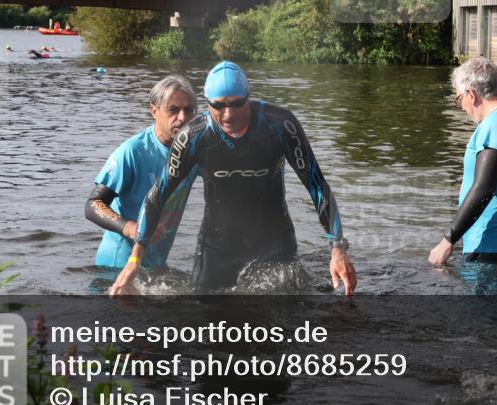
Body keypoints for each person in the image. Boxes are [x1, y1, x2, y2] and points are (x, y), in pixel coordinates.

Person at [110, 61, 357, 296]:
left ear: (248, 97)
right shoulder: (193, 136)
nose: (228, 114)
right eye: (218, 106)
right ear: (207, 102)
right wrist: (135, 259)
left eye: (237, 104)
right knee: (203, 315)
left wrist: (337, 248)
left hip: (274, 241)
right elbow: (157, 195)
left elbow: (317, 186)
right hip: (217, 245)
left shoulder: (279, 125)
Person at [429, 57, 497, 267]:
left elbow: (484, 188)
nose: (461, 107)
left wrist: (448, 241)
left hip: (490, 249)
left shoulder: (494, 125)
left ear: (471, 94)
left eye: (458, 99)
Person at [87, 76, 199, 271]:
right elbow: (93, 204)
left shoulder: (194, 151)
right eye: (173, 110)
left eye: (188, 110)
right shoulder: (132, 151)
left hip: (156, 263)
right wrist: (130, 227)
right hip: (117, 265)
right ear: (154, 110)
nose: (182, 118)